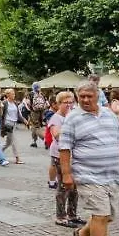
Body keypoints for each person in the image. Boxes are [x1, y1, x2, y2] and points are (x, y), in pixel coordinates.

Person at [59, 82, 119, 236]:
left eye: (89, 96)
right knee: (100, 215)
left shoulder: (109, 114)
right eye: (81, 96)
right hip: (87, 175)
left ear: (97, 95)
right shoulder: (72, 118)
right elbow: (64, 148)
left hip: (110, 175)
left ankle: (81, 235)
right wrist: (66, 174)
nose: (85, 99)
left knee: (108, 216)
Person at [46, 91, 80, 226]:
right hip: (59, 155)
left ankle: (72, 214)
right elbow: (57, 135)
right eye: (66, 102)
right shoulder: (56, 118)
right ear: (59, 104)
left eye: (71, 102)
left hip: (73, 154)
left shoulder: (73, 117)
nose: (69, 105)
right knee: (63, 186)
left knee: (75, 187)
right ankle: (60, 216)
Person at [0, 89, 22, 164]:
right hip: (8, 124)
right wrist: (1, 126)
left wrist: (25, 120)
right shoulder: (4, 103)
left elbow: (18, 114)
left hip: (14, 123)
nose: (14, 95)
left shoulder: (15, 103)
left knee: (8, 142)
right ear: (8, 95)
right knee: (14, 141)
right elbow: (1, 115)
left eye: (14, 94)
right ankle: (17, 158)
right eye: (12, 94)